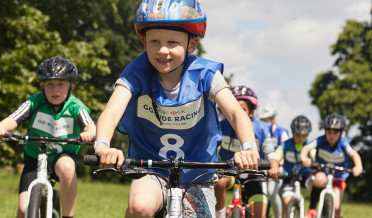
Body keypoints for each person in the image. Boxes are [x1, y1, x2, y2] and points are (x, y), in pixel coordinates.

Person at [93, 1, 260, 217]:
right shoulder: (135, 72)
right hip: (151, 170)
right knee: (140, 206)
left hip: (199, 174)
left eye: (172, 42)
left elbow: (236, 113)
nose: (163, 50)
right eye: (155, 41)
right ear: (143, 41)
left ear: (191, 45)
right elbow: (112, 111)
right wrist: (103, 145)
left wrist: (249, 148)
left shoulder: (205, 73)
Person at [0, 57, 96, 218]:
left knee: (67, 167)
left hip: (62, 155)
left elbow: (90, 126)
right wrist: (0, 128)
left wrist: (89, 133)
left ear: (71, 86)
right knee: (22, 209)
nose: (55, 90)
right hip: (34, 158)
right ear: (42, 86)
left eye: (61, 84)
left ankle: (68, 216)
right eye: (50, 85)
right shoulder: (34, 102)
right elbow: (13, 119)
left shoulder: (76, 106)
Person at [215, 86, 279, 218]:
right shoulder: (221, 126)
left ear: (251, 111)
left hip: (253, 174)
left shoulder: (260, 128)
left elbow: (270, 152)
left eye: (242, 110)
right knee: (219, 184)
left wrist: (274, 166)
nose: (238, 114)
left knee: (260, 213)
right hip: (229, 173)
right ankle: (219, 214)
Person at [300, 113, 363, 218]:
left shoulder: (344, 143)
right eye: (329, 131)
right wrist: (304, 158)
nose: (331, 135)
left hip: (339, 177)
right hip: (323, 172)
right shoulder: (320, 140)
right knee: (319, 179)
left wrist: (358, 166)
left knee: (337, 207)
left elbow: (354, 154)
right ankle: (312, 210)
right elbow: (306, 148)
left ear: (341, 132)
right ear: (325, 131)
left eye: (335, 132)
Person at [275, 115, 315, 218]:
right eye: (298, 135)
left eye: (304, 135)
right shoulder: (285, 145)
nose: (300, 138)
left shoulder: (310, 145)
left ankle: (312, 211)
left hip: (306, 174)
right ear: (292, 133)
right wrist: (273, 166)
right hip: (289, 176)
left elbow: (316, 159)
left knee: (314, 186)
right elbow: (275, 157)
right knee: (287, 201)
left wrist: (311, 162)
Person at [257, 103, 289, 218]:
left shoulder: (282, 132)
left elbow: (285, 150)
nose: (263, 123)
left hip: (278, 168)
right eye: (261, 120)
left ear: (273, 119)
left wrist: (277, 164)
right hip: (261, 167)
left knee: (271, 192)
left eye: (266, 120)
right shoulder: (259, 130)